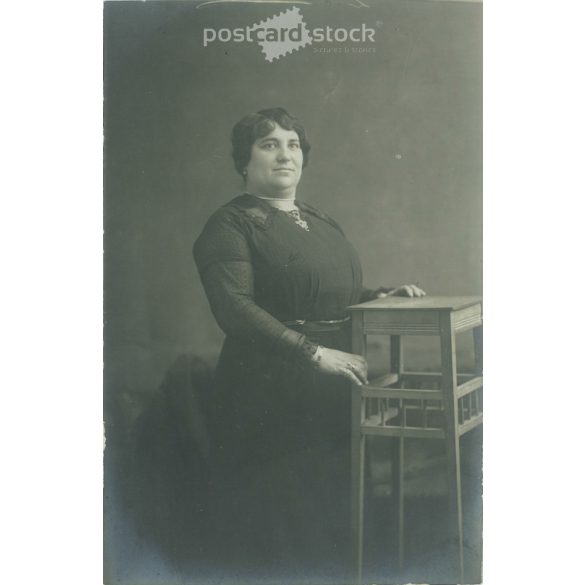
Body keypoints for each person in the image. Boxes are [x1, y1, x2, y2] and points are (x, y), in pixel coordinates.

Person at [193, 107, 425, 582]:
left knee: (332, 514)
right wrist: (312, 352)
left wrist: (378, 296)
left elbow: (323, 295)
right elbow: (235, 308)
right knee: (284, 523)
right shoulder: (230, 225)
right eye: (269, 144)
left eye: (292, 144)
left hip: (332, 388)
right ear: (244, 159)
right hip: (268, 391)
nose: (284, 154)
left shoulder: (317, 219)